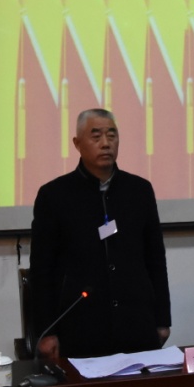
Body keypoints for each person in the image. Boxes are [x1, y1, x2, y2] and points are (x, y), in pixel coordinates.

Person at [29, 108, 171, 359]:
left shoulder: (139, 191)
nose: (105, 143)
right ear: (77, 144)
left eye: (112, 135)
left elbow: (156, 260)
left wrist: (162, 319)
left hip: (136, 323)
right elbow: (42, 270)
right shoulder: (54, 195)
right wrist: (46, 331)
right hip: (80, 327)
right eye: (96, 136)